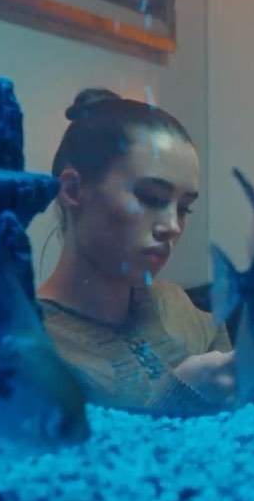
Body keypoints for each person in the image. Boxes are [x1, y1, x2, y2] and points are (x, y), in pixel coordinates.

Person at [36, 88, 236, 415]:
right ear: (73, 189)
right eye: (151, 198)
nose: (172, 226)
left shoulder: (181, 309)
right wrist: (177, 397)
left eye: (184, 208)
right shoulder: (29, 347)